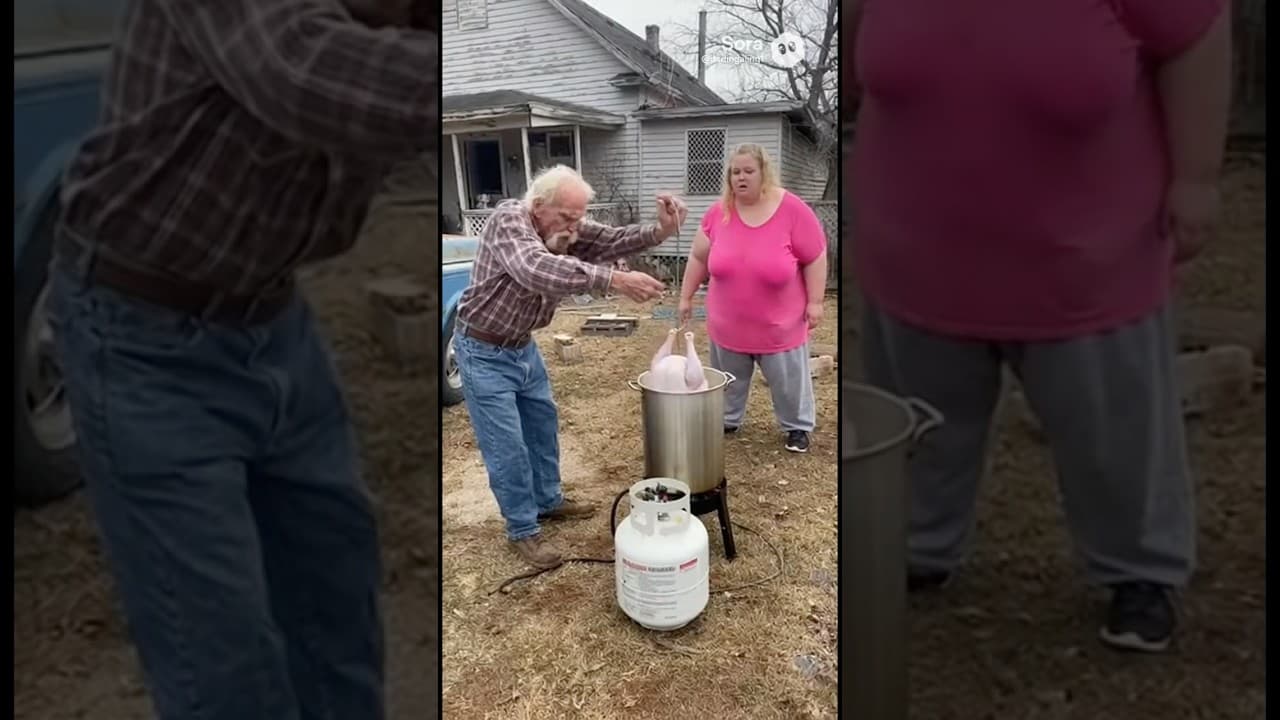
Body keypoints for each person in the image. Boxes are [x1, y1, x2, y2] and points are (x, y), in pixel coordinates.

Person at [46, 1, 439, 718]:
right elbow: (301, 68)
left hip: (273, 319)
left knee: (335, 612)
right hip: (137, 333)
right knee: (221, 666)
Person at [849, 0, 1232, 653]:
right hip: (915, 253)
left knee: (1116, 435)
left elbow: (1198, 34)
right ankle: (915, 546)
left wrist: (1197, 176)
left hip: (1088, 261)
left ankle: (1139, 573)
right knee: (918, 427)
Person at [453, 165, 685, 569]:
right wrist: (613, 280)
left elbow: (612, 239)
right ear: (539, 206)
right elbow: (535, 269)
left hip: (522, 348)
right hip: (483, 350)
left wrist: (661, 231)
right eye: (567, 217)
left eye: (579, 217)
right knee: (506, 445)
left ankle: (548, 500)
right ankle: (523, 530)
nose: (575, 227)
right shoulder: (508, 220)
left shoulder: (566, 226)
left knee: (543, 427)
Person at [676, 143, 829, 453]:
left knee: (789, 383)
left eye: (748, 171)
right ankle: (728, 419)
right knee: (728, 379)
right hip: (728, 324)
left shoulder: (793, 210)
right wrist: (685, 296)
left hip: (780, 326)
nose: (740, 178)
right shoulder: (719, 212)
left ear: (763, 173)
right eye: (735, 172)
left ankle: (797, 426)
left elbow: (815, 256)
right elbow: (698, 257)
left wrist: (815, 301)